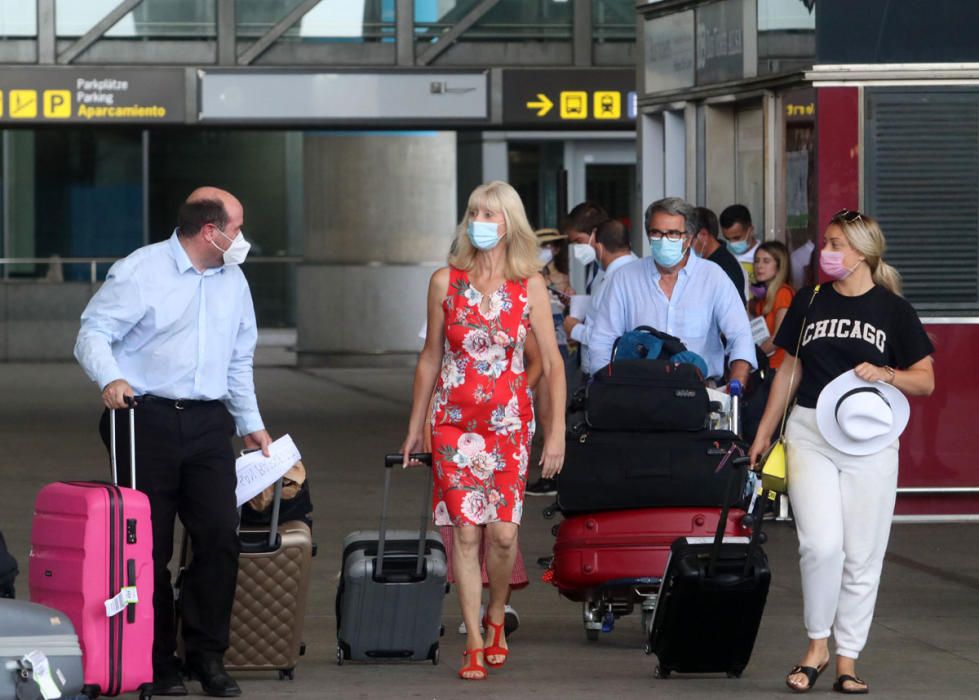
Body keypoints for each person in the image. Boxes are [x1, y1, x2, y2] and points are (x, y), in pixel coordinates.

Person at [74, 187, 272, 698]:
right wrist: (110, 378)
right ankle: (157, 659)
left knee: (219, 535)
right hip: (143, 419)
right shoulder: (141, 271)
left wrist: (250, 422)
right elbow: (92, 332)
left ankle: (207, 655)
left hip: (209, 424)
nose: (243, 237)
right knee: (148, 548)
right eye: (238, 226)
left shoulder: (235, 281)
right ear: (212, 231)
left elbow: (238, 360)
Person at [747, 209, 934, 695]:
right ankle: (816, 646)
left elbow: (926, 380)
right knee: (820, 544)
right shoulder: (810, 300)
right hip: (810, 429)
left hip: (871, 440)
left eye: (836, 244)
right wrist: (765, 431)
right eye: (826, 243)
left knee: (863, 555)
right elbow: (789, 370)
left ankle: (848, 658)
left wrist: (887, 373)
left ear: (862, 253)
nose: (826, 253)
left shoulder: (894, 311)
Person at [400, 181, 566, 681]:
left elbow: (552, 363)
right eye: (474, 212)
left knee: (503, 535)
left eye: (490, 214)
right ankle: (473, 637)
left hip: (510, 425)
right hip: (452, 424)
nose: (480, 221)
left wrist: (555, 433)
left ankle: (497, 612)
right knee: (466, 536)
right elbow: (431, 358)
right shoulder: (443, 282)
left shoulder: (529, 284)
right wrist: (415, 426)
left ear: (509, 223)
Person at [586, 197, 755, 386]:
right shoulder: (625, 278)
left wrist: (736, 385)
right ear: (648, 236)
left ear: (689, 238)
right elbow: (603, 339)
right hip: (637, 392)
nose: (664, 240)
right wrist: (607, 386)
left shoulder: (713, 277)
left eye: (673, 234)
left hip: (699, 393)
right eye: (657, 233)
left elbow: (740, 335)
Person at [563, 218, 638, 377]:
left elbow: (611, 336)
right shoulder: (629, 270)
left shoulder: (617, 279)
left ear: (599, 247)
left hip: (610, 375)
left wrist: (574, 329)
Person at [750, 241, 794, 370]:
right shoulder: (764, 297)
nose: (759, 266)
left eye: (766, 261)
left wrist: (753, 356)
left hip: (779, 368)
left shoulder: (783, 293)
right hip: (767, 365)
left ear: (779, 266)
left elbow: (778, 337)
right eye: (757, 261)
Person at [692, 206, 747, 302]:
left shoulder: (720, 267)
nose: (684, 245)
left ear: (703, 235)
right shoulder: (710, 261)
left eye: (688, 238)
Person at [560, 201, 608, 294]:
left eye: (578, 241)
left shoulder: (623, 269)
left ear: (595, 233)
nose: (577, 247)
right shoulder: (595, 264)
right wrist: (574, 301)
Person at [720, 204, 761, 283]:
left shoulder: (765, 256)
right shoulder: (723, 255)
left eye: (737, 238)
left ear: (751, 230)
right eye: (727, 239)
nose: (732, 243)